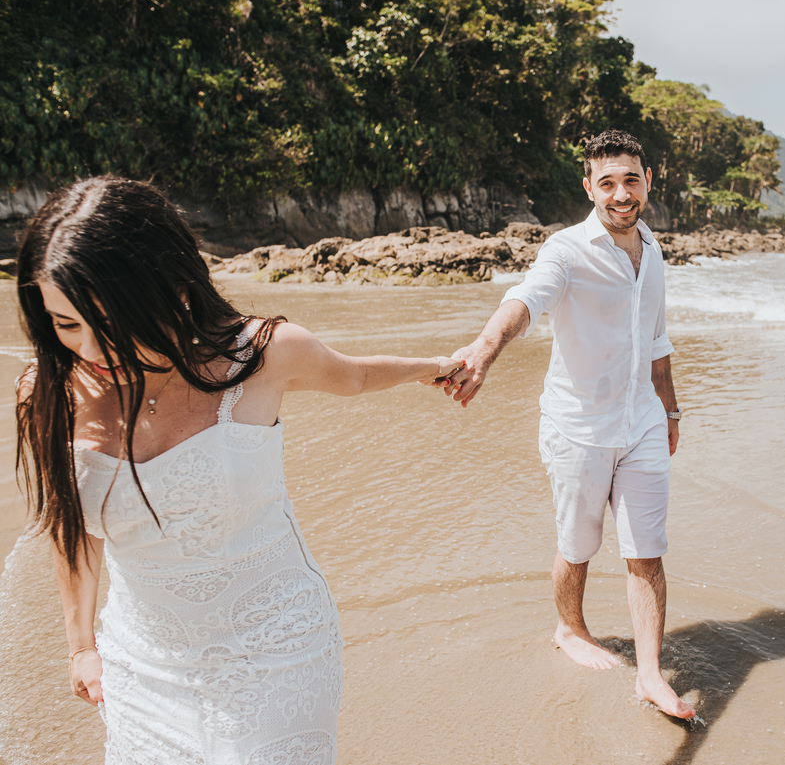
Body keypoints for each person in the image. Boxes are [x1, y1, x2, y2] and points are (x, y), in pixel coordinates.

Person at [15, 175, 463, 763]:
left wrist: (437, 366)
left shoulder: (263, 354)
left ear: (175, 291)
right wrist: (80, 648)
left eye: (112, 322)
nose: (92, 351)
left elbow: (353, 376)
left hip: (277, 647)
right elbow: (71, 530)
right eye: (67, 324)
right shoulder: (47, 392)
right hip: (143, 664)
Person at [438, 129, 695, 719]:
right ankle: (570, 628)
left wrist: (670, 408)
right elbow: (525, 301)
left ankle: (650, 675)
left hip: (642, 420)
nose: (621, 194)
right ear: (588, 187)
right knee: (578, 545)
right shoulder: (566, 250)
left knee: (647, 551)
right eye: (607, 183)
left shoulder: (653, 249)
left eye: (630, 180)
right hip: (578, 426)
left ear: (648, 180)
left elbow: (656, 339)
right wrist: (483, 350)